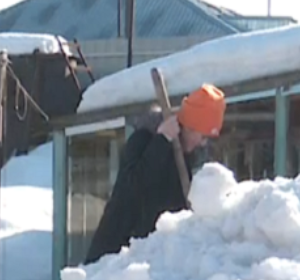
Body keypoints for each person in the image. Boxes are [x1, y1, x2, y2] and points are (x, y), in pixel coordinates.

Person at [83, 84, 226, 265]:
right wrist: (161, 141)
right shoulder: (144, 139)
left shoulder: (185, 160)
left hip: (149, 263)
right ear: (190, 127)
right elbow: (129, 190)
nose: (203, 144)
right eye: (203, 136)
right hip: (113, 256)